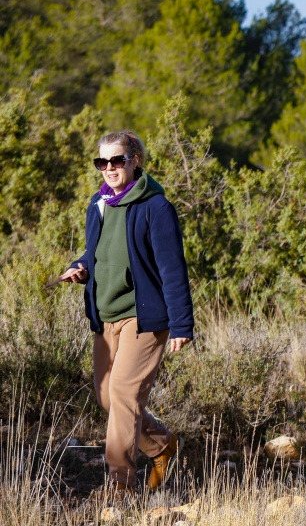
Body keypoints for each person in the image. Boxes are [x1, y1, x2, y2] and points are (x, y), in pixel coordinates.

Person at [56, 131, 193, 497]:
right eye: (102, 162)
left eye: (117, 160)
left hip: (144, 318)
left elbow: (172, 269)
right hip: (106, 316)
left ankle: (120, 487)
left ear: (135, 161)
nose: (109, 168)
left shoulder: (155, 207)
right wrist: (80, 267)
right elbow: (96, 252)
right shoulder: (98, 204)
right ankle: (162, 445)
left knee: (123, 393)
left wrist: (182, 324)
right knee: (107, 396)